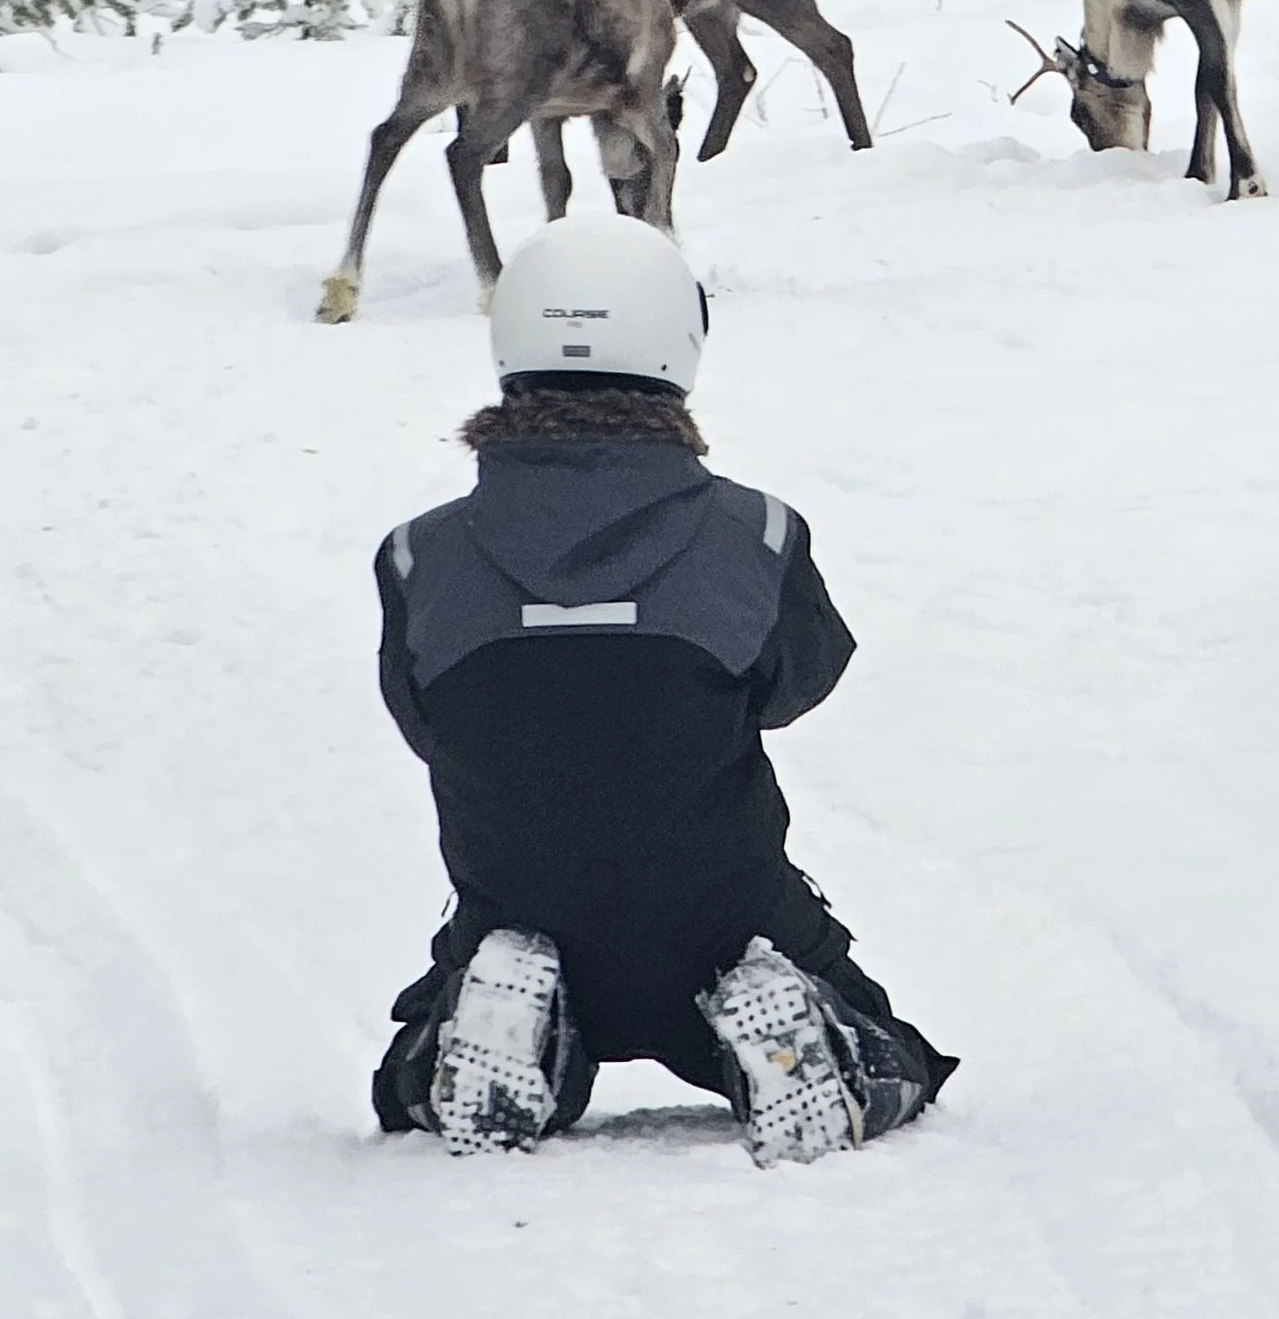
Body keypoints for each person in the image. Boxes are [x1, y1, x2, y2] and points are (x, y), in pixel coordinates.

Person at [370, 220, 954, 1161]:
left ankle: (501, 1032)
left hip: (513, 904)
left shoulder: (417, 553)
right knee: (897, 1056)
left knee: (410, 1071)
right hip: (723, 916)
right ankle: (804, 1045)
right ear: (681, 339)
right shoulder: (756, 534)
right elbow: (796, 683)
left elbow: (423, 720)